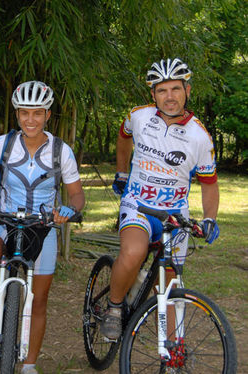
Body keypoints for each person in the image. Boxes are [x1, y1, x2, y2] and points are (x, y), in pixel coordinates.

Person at [0, 81, 85, 374]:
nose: (31, 120)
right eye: (24, 113)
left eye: (38, 113)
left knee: (39, 298)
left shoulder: (60, 150)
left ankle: (30, 364)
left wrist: (71, 208)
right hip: (3, 218)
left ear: (48, 115)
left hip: (42, 225)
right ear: (16, 114)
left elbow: (77, 193)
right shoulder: (3, 144)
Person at [100, 58, 220, 340]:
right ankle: (114, 308)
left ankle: (171, 349)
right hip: (138, 204)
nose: (169, 97)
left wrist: (210, 218)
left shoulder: (200, 136)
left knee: (168, 284)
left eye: (176, 89)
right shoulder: (139, 116)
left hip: (175, 213)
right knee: (133, 253)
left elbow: (209, 184)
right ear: (153, 94)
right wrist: (121, 171)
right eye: (162, 90)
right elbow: (123, 135)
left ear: (187, 90)